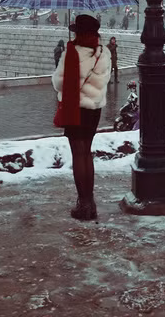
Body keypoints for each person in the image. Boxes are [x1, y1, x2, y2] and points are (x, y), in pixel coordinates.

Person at [52, 14, 111, 221]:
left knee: (78, 154)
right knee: (86, 153)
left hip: (75, 109)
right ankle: (90, 203)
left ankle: (83, 204)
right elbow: (105, 80)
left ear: (79, 33)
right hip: (94, 109)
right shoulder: (103, 52)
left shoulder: (72, 53)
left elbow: (59, 83)